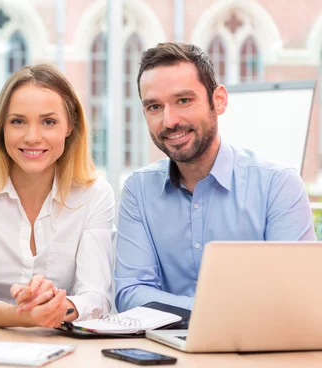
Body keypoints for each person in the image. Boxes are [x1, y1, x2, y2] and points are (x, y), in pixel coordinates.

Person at [114, 42, 315, 312]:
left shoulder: (277, 185)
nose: (169, 120)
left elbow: (296, 295)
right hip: (165, 348)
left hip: (256, 349)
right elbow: (131, 292)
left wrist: (201, 311)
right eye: (154, 107)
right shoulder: (139, 190)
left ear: (218, 100)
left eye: (183, 100)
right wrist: (221, 311)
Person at [0, 64, 115, 328]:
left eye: (48, 122)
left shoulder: (95, 194)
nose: (32, 137)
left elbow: (97, 297)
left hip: (65, 349)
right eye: (18, 121)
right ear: (1, 127)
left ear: (70, 126)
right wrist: (23, 316)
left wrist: (60, 307)